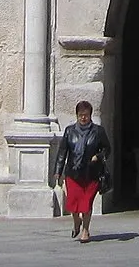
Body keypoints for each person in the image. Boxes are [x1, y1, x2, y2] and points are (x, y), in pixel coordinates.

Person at [50, 100, 111, 244]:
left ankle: (85, 230)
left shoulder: (98, 131)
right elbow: (62, 152)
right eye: (80, 115)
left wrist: (99, 156)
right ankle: (76, 222)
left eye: (86, 115)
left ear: (90, 115)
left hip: (91, 174)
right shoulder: (70, 131)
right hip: (73, 173)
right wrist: (57, 171)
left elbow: (107, 149)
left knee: (86, 203)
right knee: (73, 203)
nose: (83, 118)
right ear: (76, 115)